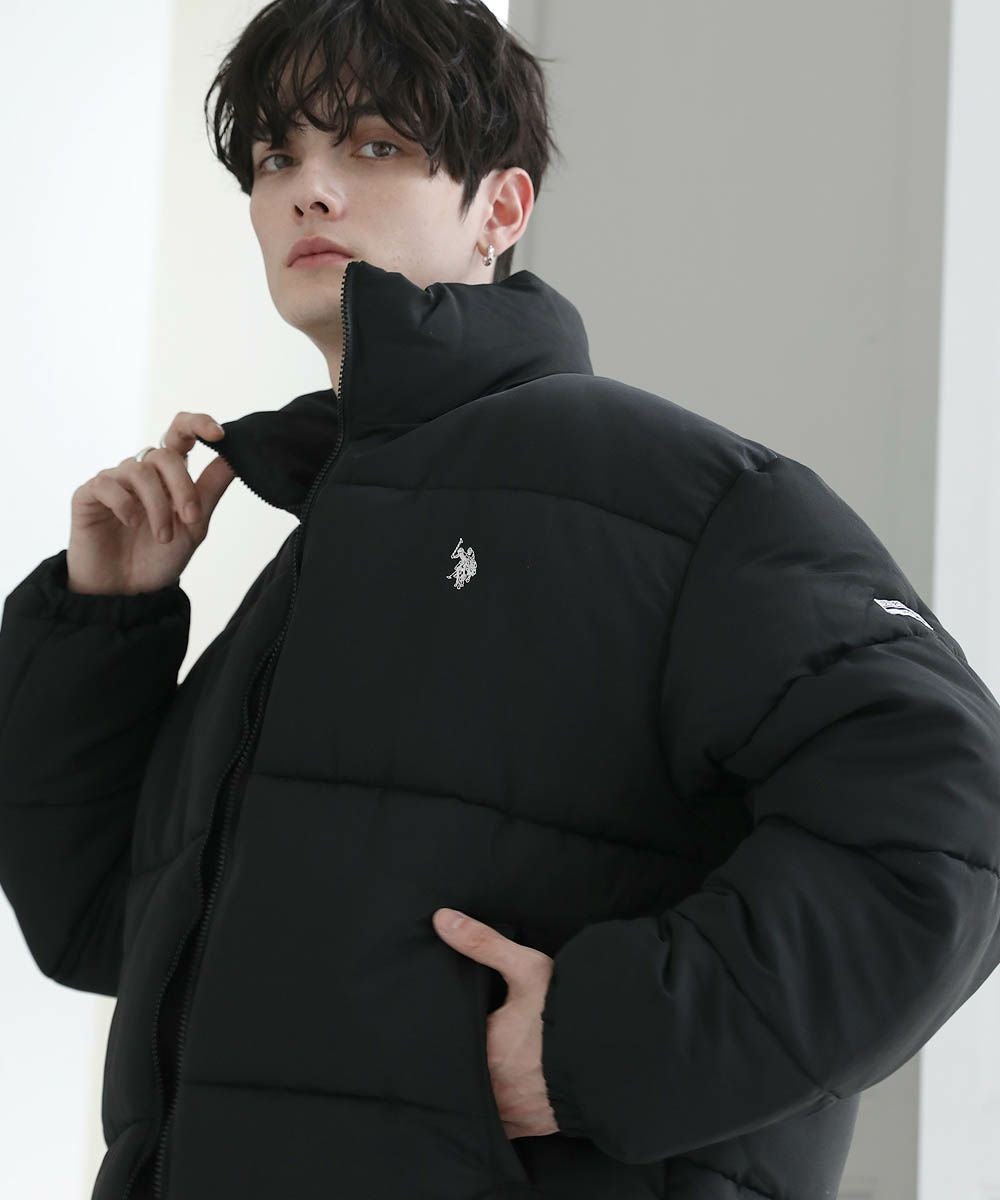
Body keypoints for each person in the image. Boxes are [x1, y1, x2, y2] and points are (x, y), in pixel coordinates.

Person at [2, 1, 999, 1197]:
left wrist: (601, 1049)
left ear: (502, 209)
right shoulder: (308, 568)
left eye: (373, 144)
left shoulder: (673, 492)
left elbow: (946, 827)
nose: (310, 189)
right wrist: (103, 627)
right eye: (275, 157)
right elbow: (101, 931)